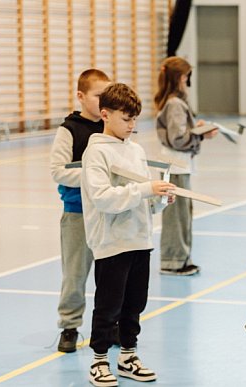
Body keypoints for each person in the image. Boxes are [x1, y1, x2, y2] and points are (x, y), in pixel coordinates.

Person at [82, 83, 175, 387]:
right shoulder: (95, 153)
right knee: (109, 305)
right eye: (126, 119)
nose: (131, 126)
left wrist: (158, 199)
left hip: (140, 240)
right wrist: (146, 189)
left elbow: (143, 201)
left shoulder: (135, 150)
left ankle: (128, 356)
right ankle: (98, 361)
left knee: (134, 304)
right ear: (105, 114)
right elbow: (103, 197)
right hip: (111, 243)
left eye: (135, 119)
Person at [49, 69, 111, 353]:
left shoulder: (113, 127)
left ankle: (109, 327)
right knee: (75, 274)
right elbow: (59, 172)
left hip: (109, 213)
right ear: (81, 96)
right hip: (77, 214)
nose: (103, 101)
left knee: (111, 275)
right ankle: (70, 326)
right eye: (99, 95)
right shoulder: (69, 130)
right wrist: (92, 179)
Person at [154, 56, 218, 276]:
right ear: (181, 77)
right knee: (176, 216)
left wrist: (196, 128)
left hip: (180, 165)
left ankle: (180, 258)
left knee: (183, 214)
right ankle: (173, 260)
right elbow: (178, 138)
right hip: (176, 165)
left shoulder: (175, 102)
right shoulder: (174, 103)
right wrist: (200, 135)